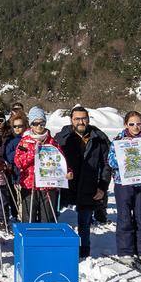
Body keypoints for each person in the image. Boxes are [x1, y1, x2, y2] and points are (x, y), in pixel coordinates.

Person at [55, 106, 111, 259]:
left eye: (83, 118)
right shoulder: (62, 138)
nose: (81, 122)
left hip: (89, 184)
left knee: (84, 222)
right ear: (71, 120)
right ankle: (57, 246)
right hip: (66, 185)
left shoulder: (99, 138)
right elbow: (53, 160)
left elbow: (107, 164)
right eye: (77, 119)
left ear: (88, 119)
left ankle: (83, 250)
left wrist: (102, 186)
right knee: (55, 216)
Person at [106, 111, 141, 262]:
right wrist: (125, 155)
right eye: (131, 124)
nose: (135, 127)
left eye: (138, 124)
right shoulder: (119, 139)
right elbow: (111, 161)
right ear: (125, 125)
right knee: (124, 217)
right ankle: (125, 251)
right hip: (123, 183)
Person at [14, 106, 69, 222]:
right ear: (31, 124)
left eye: (42, 123)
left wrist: (68, 171)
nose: (39, 126)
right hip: (29, 185)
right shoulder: (25, 141)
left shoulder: (52, 142)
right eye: (35, 123)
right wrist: (33, 153)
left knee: (48, 220)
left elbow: (61, 160)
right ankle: (30, 240)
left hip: (48, 186)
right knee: (29, 220)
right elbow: (19, 162)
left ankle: (46, 240)